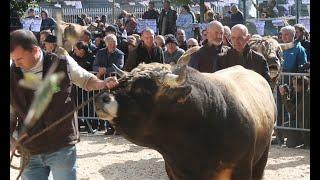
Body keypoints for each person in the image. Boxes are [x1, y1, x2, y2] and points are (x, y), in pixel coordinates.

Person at [10, 29, 119, 180]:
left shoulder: (61, 61)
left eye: (19, 59)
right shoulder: (12, 74)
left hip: (61, 145)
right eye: (13, 59)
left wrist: (102, 83)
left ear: (35, 50)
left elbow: (86, 80)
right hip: (29, 149)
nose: (16, 64)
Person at [279, 76, 310, 148]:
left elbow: (293, 111)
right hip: (299, 123)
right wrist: (287, 93)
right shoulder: (298, 93)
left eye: (295, 85)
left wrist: (284, 95)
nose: (293, 86)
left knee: (283, 129)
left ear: (301, 85)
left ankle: (306, 142)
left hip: (304, 124)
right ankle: (301, 140)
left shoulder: (307, 95)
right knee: (280, 129)